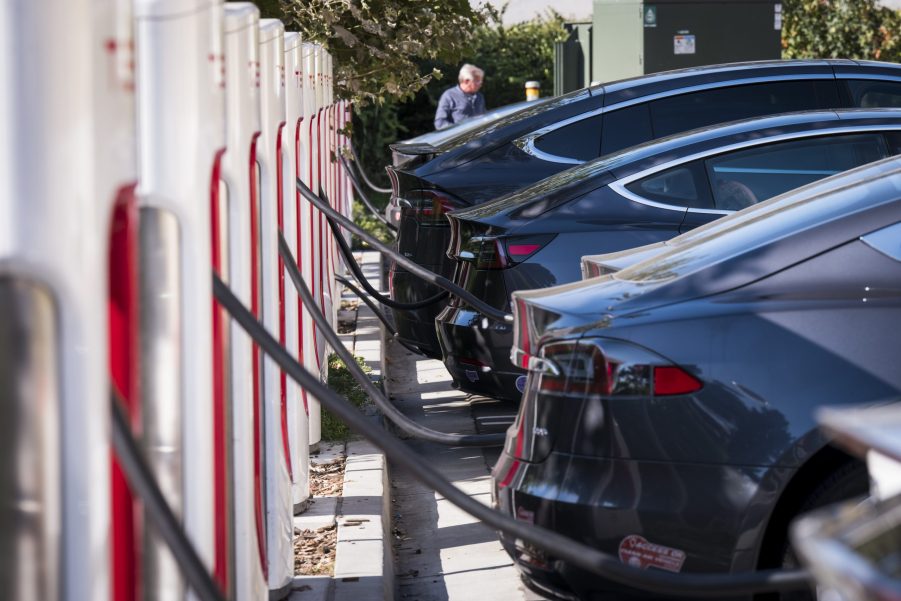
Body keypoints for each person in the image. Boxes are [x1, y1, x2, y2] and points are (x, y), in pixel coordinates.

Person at [434, 64, 486, 130]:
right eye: (478, 80)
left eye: (481, 81)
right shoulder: (449, 95)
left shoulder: (479, 96)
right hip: (461, 139)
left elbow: (484, 118)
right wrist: (459, 130)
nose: (480, 84)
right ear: (466, 81)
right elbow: (440, 123)